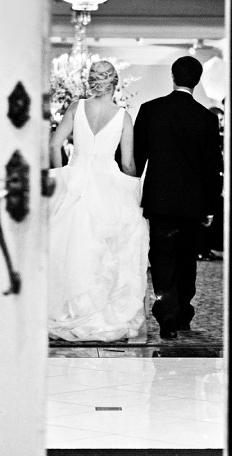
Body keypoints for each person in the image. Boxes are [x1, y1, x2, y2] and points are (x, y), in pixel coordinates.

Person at [47, 60, 149, 342]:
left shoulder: (76, 108)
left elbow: (54, 145)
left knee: (70, 248)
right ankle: (100, 312)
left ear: (91, 81)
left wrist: (62, 173)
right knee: (108, 252)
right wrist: (134, 188)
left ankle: (69, 310)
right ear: (114, 82)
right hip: (108, 186)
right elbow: (128, 163)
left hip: (75, 181)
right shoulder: (123, 116)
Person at [133, 56, 223, 339]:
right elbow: (213, 167)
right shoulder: (207, 119)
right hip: (193, 204)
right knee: (187, 260)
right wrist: (210, 206)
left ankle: (166, 314)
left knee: (161, 258)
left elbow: (137, 158)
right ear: (196, 82)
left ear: (173, 76)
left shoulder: (151, 110)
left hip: (159, 201)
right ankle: (183, 312)